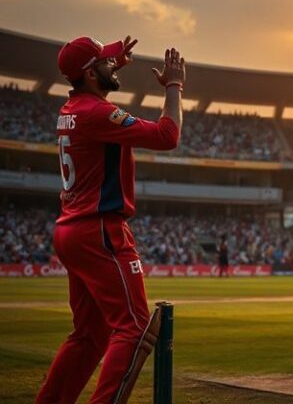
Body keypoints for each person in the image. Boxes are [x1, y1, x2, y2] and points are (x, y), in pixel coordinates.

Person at [37, 36, 185, 404]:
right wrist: (174, 86)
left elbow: (94, 78)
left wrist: (111, 62)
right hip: (100, 230)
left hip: (72, 228)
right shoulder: (98, 114)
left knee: (89, 335)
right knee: (134, 329)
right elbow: (168, 136)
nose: (113, 64)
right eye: (105, 62)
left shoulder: (71, 108)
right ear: (90, 73)